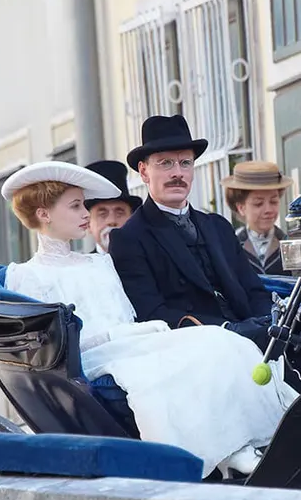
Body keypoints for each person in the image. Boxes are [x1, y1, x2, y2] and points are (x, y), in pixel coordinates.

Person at [0, 161, 298, 477]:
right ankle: (208, 454)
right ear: (44, 214)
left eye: (83, 205)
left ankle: (242, 440)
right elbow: (49, 343)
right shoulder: (26, 276)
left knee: (220, 339)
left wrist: (137, 333)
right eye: (76, 207)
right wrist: (119, 336)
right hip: (92, 355)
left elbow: (125, 314)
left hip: (132, 340)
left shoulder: (99, 264)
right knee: (159, 372)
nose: (86, 214)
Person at [110, 115, 273, 347]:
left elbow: (254, 290)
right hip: (193, 350)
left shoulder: (218, 226)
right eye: (165, 163)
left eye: (185, 163)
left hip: (255, 340)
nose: (177, 173)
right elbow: (152, 313)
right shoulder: (129, 238)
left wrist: (269, 324)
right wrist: (227, 330)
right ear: (144, 172)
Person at [221, 160, 295, 276]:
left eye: (274, 202)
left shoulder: (290, 245)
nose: (268, 210)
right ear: (241, 208)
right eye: (258, 204)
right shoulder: (229, 248)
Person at [84, 160, 142, 254]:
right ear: (88, 224)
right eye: (102, 214)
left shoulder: (152, 261)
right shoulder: (81, 264)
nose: (112, 221)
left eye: (120, 213)